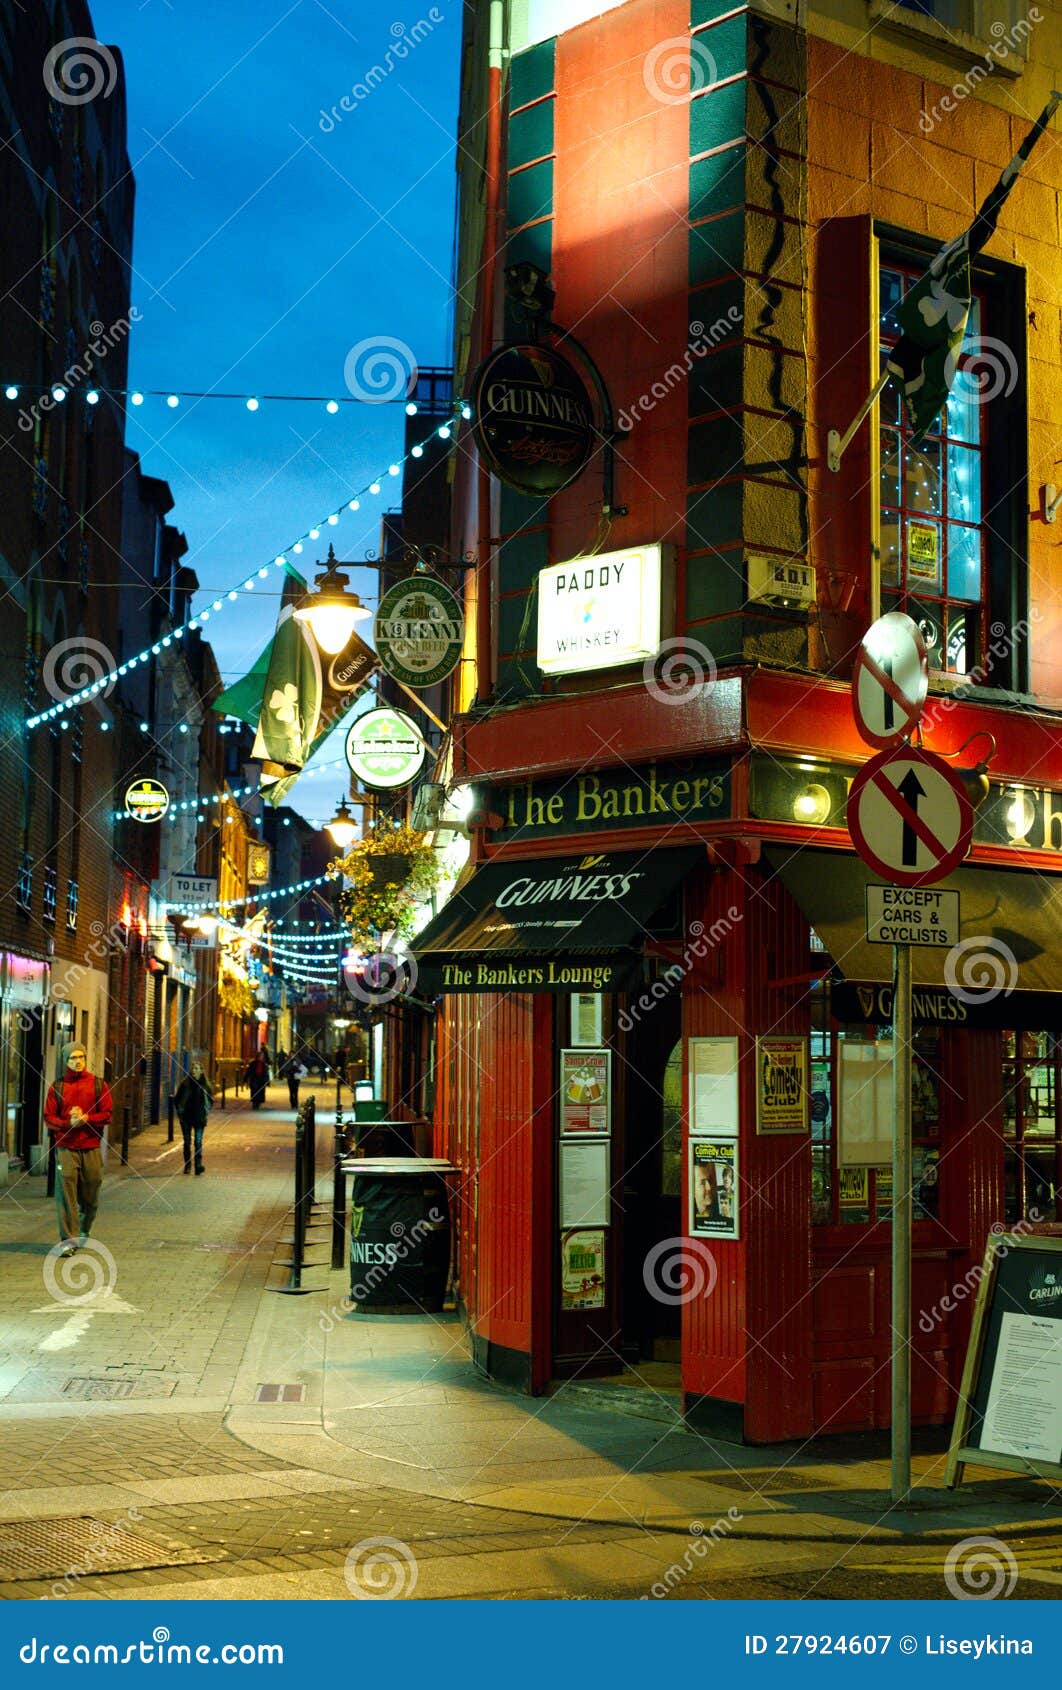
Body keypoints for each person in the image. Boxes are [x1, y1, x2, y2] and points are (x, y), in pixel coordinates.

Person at [43, 1042, 113, 1256]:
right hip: (66, 1149)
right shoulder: (57, 1087)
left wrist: (87, 1119)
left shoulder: (98, 1085)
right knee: (66, 1196)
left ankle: (84, 1227)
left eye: (80, 1057)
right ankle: (68, 1241)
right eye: (72, 1058)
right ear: (65, 1061)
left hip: (91, 1147)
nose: (77, 1061)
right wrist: (68, 1124)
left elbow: (108, 1114)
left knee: (91, 1194)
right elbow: (49, 1118)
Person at [174, 1060, 213, 1175]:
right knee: (187, 1142)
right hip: (186, 1118)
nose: (194, 1071)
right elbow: (177, 1100)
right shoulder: (185, 1084)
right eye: (193, 1069)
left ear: (201, 1071)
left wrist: (206, 1112)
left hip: (199, 1118)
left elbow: (210, 1101)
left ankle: (198, 1165)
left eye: (196, 1069)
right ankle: (187, 1166)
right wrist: (180, 1112)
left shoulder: (205, 1086)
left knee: (198, 1142)